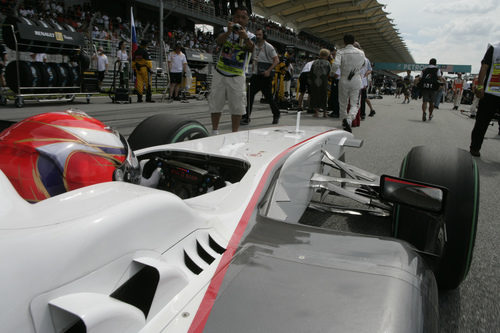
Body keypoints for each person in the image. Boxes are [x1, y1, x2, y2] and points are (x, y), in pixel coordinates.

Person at [208, 6, 255, 134]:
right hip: (220, 73)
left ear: (247, 20)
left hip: (237, 75)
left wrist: (245, 37)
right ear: (233, 18)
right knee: (216, 103)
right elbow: (218, 41)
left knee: (237, 107)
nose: (239, 20)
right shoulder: (224, 30)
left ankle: (235, 132)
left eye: (243, 17)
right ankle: (214, 130)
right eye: (237, 17)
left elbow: (252, 49)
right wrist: (229, 32)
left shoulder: (251, 36)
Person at [241, 27, 279, 125]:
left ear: (264, 36)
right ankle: (246, 117)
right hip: (255, 75)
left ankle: (276, 114)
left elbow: (276, 60)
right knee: (250, 95)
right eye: (256, 35)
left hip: (265, 76)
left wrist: (268, 71)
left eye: (260, 35)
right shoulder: (254, 45)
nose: (257, 37)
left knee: (269, 97)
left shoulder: (269, 47)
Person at [469, 42, 500, 157]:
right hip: (490, 91)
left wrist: (481, 87)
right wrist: (480, 87)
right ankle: (475, 148)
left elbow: (484, 67)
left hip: (490, 92)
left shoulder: (495, 48)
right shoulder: (494, 48)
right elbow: (484, 67)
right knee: (482, 122)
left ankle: (475, 148)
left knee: (482, 121)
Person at [332, 34, 366, 132]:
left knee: (343, 102)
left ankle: (343, 120)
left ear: (344, 42)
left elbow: (336, 64)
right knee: (355, 103)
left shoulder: (341, 52)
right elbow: (363, 64)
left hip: (343, 79)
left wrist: (332, 72)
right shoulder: (361, 53)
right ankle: (349, 119)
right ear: (354, 41)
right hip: (356, 79)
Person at [308, 49, 331, 118]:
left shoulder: (314, 62)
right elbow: (329, 72)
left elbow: (311, 72)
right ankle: (324, 113)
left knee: (315, 96)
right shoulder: (327, 63)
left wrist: (310, 81)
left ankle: (316, 113)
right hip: (323, 81)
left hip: (315, 82)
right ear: (326, 55)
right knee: (324, 96)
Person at [354, 42, 375, 118]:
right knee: (362, 98)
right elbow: (370, 70)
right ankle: (361, 113)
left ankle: (361, 114)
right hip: (361, 81)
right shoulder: (365, 59)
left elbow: (370, 69)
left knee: (361, 98)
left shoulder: (365, 60)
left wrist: (366, 74)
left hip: (360, 81)